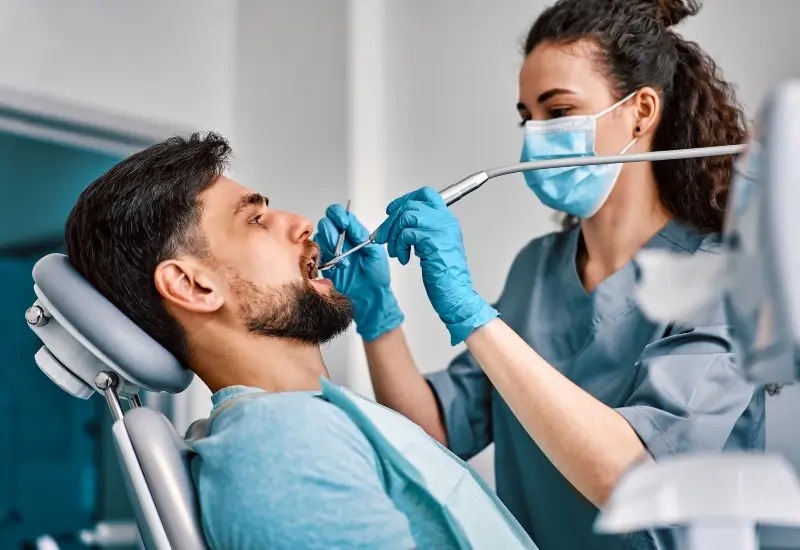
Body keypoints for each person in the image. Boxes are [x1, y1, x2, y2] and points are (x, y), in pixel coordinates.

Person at [315, 0, 762, 548]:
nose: (534, 137)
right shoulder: (536, 270)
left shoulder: (722, 278)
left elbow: (633, 478)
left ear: (641, 111)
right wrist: (377, 315)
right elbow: (435, 430)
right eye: (527, 116)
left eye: (558, 111)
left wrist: (472, 314)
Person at [64, 133, 537, 550]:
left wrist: (381, 317)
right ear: (193, 286)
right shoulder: (279, 448)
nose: (301, 224)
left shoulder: (300, 424)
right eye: (254, 220)